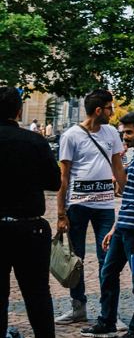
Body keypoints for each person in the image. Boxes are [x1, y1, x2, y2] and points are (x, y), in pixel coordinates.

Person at [81, 112, 134, 338]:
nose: (125, 137)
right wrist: (114, 227)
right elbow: (128, 193)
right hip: (123, 228)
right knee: (107, 273)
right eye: (123, 133)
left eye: (128, 132)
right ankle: (107, 321)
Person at [54, 89, 126, 326]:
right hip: (77, 206)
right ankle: (78, 308)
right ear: (99, 110)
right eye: (110, 108)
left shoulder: (111, 132)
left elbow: (117, 167)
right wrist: (61, 214)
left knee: (109, 259)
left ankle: (109, 315)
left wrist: (130, 195)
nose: (112, 112)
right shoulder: (71, 136)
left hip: (105, 206)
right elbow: (63, 177)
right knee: (76, 259)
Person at [0, 87, 61, 338]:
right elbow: (54, 182)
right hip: (30, 226)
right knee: (37, 292)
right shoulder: (35, 141)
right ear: (19, 111)